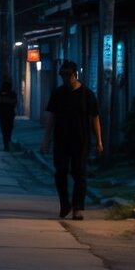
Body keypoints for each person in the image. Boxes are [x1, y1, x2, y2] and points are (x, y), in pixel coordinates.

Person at [41, 60, 103, 220]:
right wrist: (46, 140)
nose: (66, 79)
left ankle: (78, 207)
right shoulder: (58, 93)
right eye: (63, 76)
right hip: (61, 140)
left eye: (69, 76)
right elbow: (51, 117)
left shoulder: (87, 94)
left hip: (81, 140)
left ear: (76, 75)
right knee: (60, 172)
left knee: (79, 173)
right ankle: (65, 204)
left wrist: (99, 141)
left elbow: (94, 118)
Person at [0, 78, 17, 151]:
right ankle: (7, 144)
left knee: (4, 130)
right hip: (9, 114)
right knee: (8, 130)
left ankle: (6, 145)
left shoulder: (0, 93)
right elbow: (14, 103)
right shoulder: (12, 93)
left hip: (3, 115)